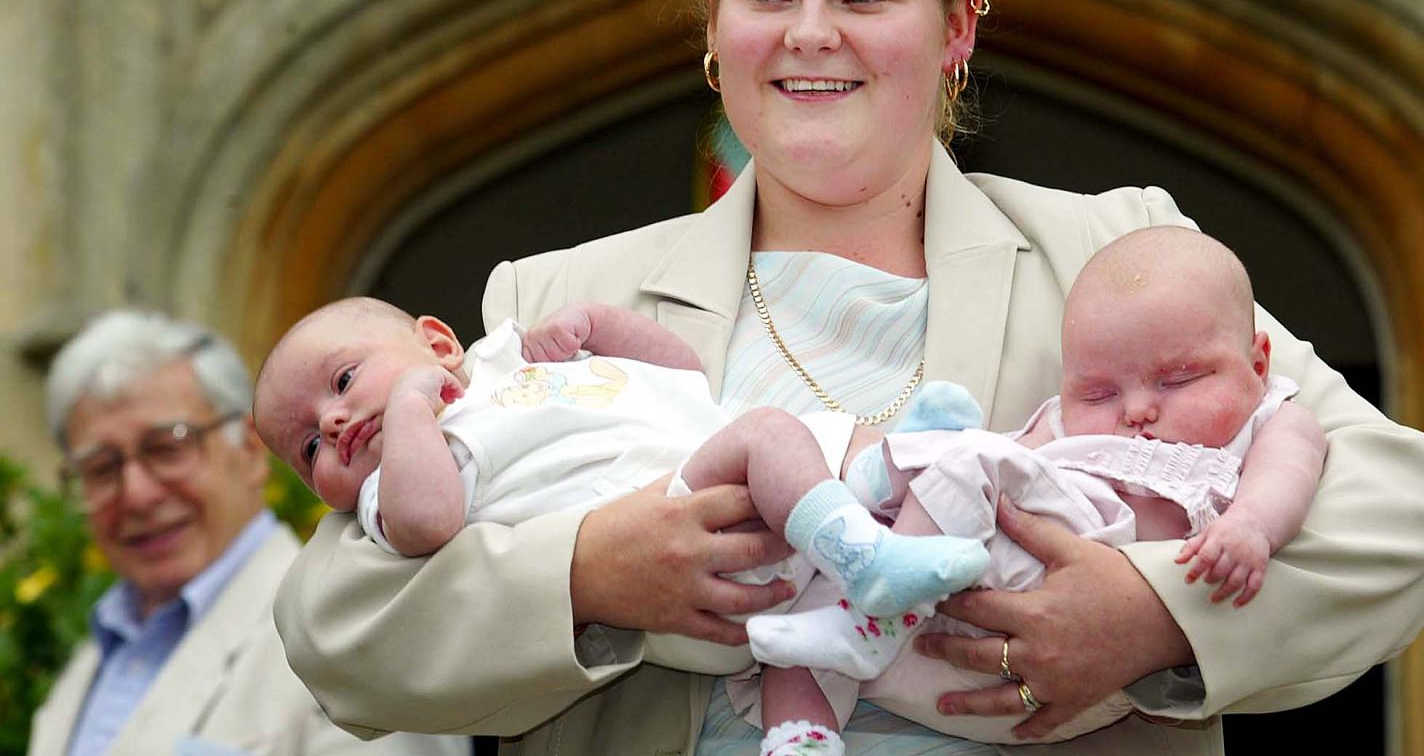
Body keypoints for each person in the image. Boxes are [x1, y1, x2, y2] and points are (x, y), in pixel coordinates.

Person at [273, 0, 1424, 756]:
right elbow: (337, 627)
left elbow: (1395, 513)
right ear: (714, 26)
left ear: (957, 28)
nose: (809, 33)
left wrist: (1148, 616)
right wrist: (588, 576)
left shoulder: (1121, 251)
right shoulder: (554, 305)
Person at [741, 225, 1328, 750]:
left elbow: (1290, 475)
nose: (1139, 410)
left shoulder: (1273, 418)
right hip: (965, 617)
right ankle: (802, 735)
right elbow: (1015, 464)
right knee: (804, 610)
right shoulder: (1062, 423)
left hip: (1088, 627)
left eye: (1179, 379)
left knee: (968, 456)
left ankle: (880, 509)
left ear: (1257, 366)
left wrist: (1252, 524)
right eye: (1098, 393)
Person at [251, 297, 985, 618]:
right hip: (667, 520)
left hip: (708, 462)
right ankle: (868, 550)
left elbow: (682, 376)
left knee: (792, 435)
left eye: (343, 381)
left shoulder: (511, 363)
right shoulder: (396, 485)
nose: (334, 420)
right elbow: (428, 523)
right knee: (767, 433)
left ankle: (891, 467)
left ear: (440, 345)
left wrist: (601, 324)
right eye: (309, 446)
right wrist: (409, 408)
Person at [28, 310, 468, 756]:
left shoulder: (358, 620)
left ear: (252, 452)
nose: (137, 495)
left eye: (167, 446)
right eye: (100, 468)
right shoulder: (95, 658)